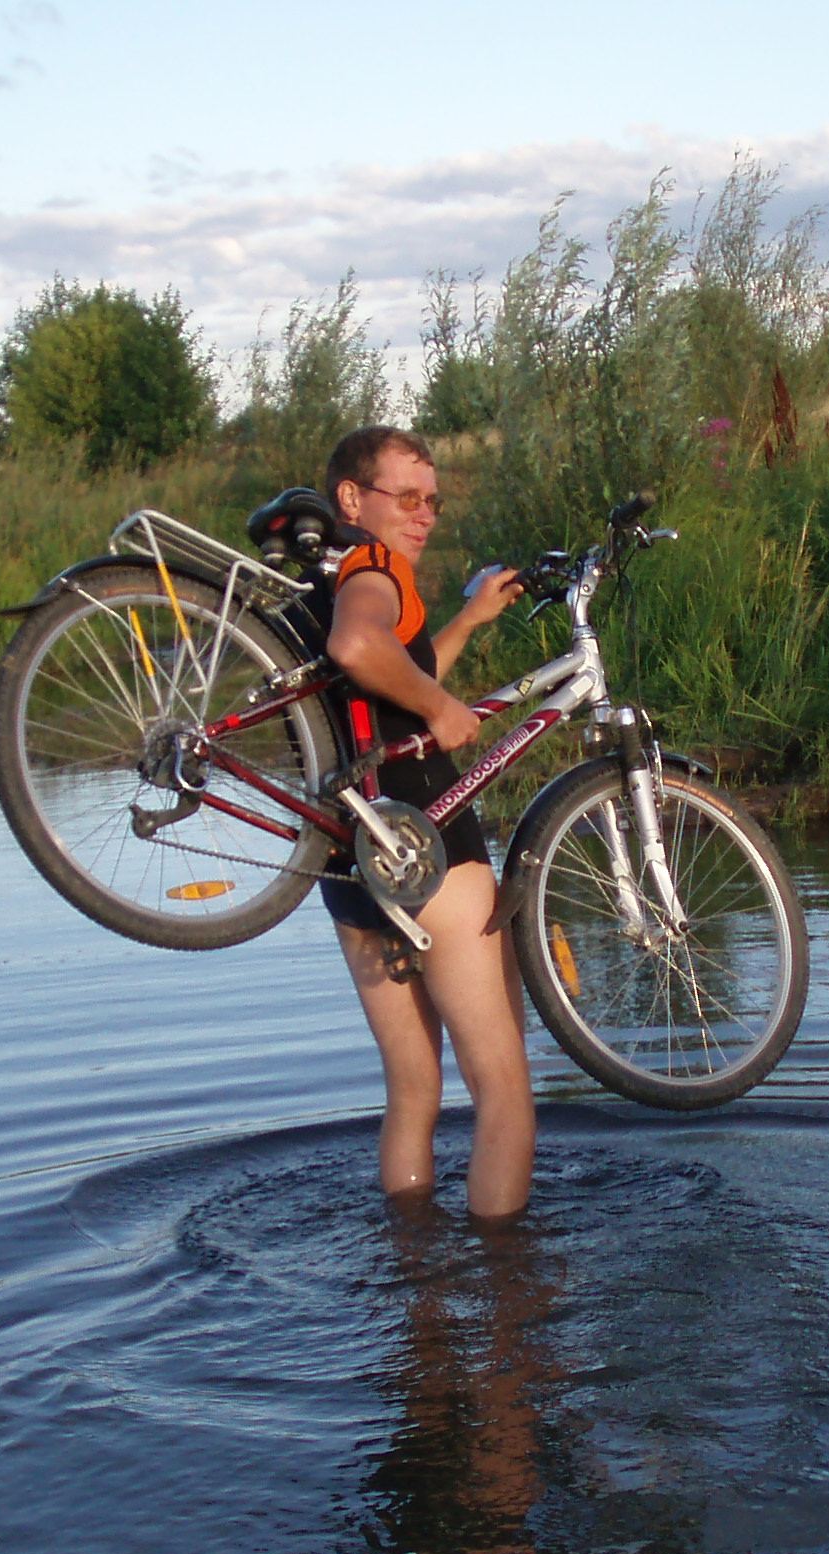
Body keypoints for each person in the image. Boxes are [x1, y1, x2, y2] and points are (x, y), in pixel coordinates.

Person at [317, 425, 534, 1221]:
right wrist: (443, 708)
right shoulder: (376, 567)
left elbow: (388, 679)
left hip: (350, 857)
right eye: (406, 496)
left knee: (413, 1090)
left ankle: (415, 1272)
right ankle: (510, 1280)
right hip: (427, 839)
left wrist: (468, 622)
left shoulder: (323, 575)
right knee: (502, 1087)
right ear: (352, 497)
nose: (424, 515)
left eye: (433, 501)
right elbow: (359, 646)